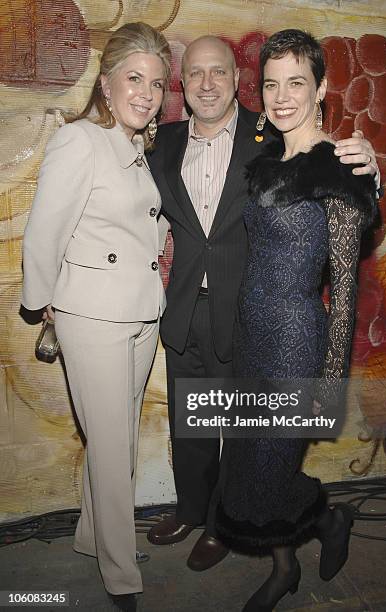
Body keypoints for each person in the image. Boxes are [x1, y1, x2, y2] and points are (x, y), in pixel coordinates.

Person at [147, 34, 380, 572]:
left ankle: (245, 526)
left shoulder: (263, 134)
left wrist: (371, 166)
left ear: (236, 80)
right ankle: (204, 517)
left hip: (270, 325)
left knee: (258, 450)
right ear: (183, 84)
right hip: (199, 315)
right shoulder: (166, 141)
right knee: (202, 427)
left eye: (219, 72)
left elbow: (340, 193)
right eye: (196, 73)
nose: (208, 84)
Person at [211, 29, 377, 611]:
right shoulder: (264, 164)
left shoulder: (338, 172)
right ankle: (287, 565)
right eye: (272, 84)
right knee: (253, 464)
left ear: (322, 88)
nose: (282, 98)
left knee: (274, 467)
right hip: (253, 337)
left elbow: (346, 287)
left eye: (296, 84)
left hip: (296, 343)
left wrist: (330, 382)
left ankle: (330, 521)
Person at [21, 22, 171, 610]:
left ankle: (91, 537)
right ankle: (120, 573)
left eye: (157, 84)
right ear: (106, 83)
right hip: (92, 316)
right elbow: (43, 231)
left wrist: (162, 237)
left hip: (138, 312)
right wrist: (44, 302)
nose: (146, 93)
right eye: (134, 78)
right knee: (113, 449)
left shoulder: (136, 146)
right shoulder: (80, 140)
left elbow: (134, 220)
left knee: (117, 438)